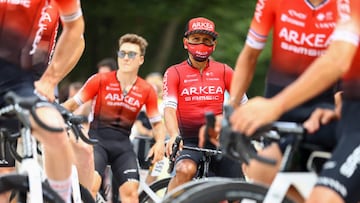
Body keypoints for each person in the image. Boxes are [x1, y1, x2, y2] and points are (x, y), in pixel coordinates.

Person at [231, 0, 360, 202]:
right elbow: (249, 56)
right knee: (261, 169)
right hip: (334, 112)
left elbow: (338, 60)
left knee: (324, 197)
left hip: (336, 112)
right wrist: (230, 109)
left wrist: (275, 105)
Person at [62, 33, 166, 203]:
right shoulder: (100, 80)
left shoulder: (146, 89)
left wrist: (160, 142)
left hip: (123, 146)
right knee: (92, 186)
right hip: (97, 142)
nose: (126, 58)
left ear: (141, 59)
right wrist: (51, 112)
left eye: (131, 54)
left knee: (131, 193)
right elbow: (72, 104)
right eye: (122, 53)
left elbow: (156, 123)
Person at [0, 1, 84, 203]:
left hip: (22, 83)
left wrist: (51, 79)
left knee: (55, 131)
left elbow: (76, 31)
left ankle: (59, 198)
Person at [164, 17, 248, 192]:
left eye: (206, 40)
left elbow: (243, 105)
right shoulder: (174, 72)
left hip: (219, 140)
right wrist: (173, 135)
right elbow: (170, 109)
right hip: (188, 141)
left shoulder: (225, 71)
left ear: (214, 45)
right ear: (185, 42)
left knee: (237, 190)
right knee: (185, 170)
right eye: (196, 39)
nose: (201, 44)